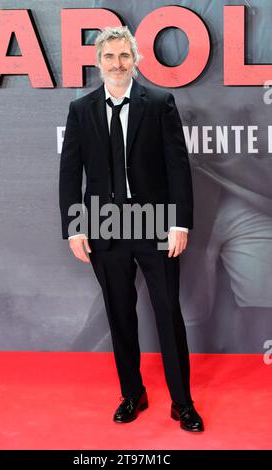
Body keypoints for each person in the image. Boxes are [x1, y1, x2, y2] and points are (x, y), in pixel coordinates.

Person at [59, 26, 204, 432]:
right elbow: (70, 172)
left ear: (135, 59)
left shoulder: (159, 103)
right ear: (98, 62)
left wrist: (179, 223)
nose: (118, 64)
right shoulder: (81, 109)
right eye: (110, 57)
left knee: (167, 312)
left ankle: (182, 402)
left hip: (155, 223)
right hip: (104, 227)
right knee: (119, 314)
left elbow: (178, 168)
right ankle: (132, 393)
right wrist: (74, 227)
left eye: (124, 56)